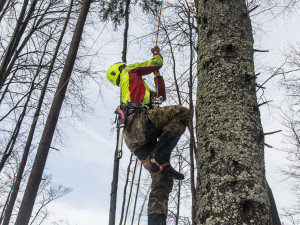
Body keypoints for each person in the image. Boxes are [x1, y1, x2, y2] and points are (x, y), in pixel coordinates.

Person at [106, 46, 190, 225]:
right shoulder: (129, 71)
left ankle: (156, 222)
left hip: (134, 140)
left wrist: (157, 76)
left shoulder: (135, 89)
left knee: (162, 178)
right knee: (182, 113)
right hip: (137, 123)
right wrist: (156, 55)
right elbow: (156, 61)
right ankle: (161, 157)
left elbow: (160, 96)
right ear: (121, 67)